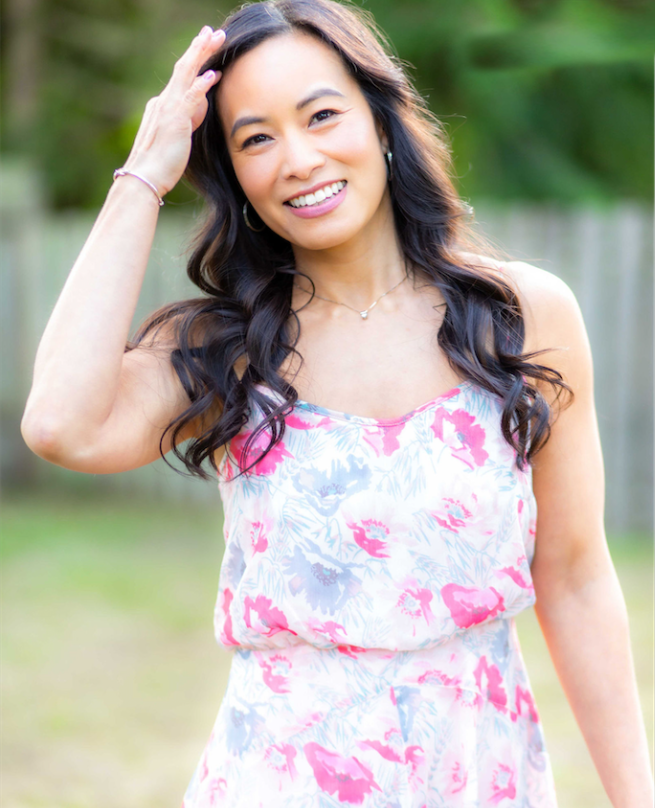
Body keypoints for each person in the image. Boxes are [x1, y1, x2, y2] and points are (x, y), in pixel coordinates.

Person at [21, 1, 652, 806]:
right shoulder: (226, 347)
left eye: (321, 115)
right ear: (235, 175)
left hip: (479, 774)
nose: (298, 158)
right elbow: (59, 424)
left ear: (379, 119)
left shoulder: (521, 316)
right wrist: (144, 173)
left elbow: (573, 578)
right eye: (255, 138)